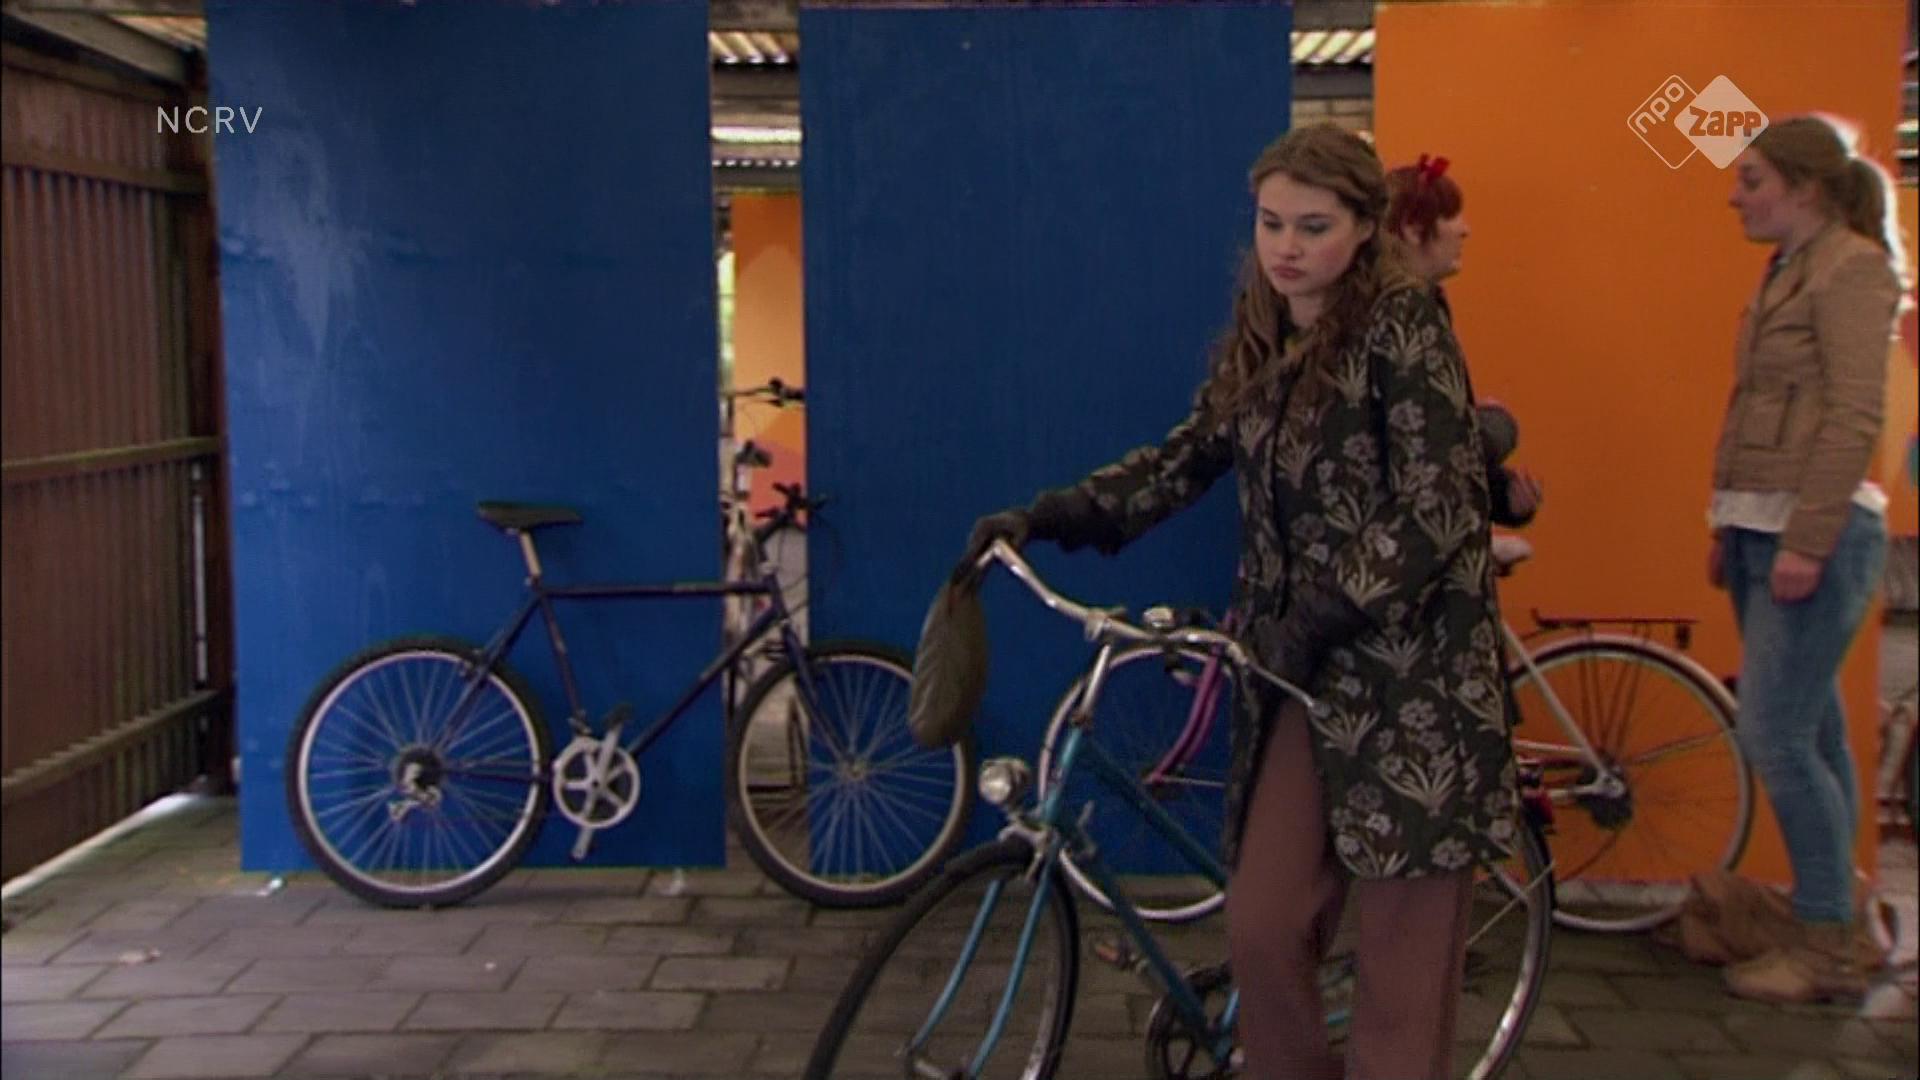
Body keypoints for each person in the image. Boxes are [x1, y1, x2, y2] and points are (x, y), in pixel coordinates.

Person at [955, 122, 1517, 1080]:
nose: (1287, 247)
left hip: (1416, 685)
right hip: (1302, 679)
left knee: (1402, 974)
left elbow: (1438, 506)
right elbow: (1189, 455)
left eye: (1314, 227)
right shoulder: (1268, 331)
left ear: (1365, 227)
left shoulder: (1403, 322)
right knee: (1262, 924)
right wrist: (1053, 515)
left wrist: (1321, 613)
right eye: (1271, 223)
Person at [1710, 114, 1906, 1003]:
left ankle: (1825, 942)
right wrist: (1727, 524)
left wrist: (1808, 539)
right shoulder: (1791, 267)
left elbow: (1856, 415)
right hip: (1761, 523)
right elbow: (1756, 404)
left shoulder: (1852, 268)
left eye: (1752, 180)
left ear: (1807, 187)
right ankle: (1837, 922)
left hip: (1807, 529)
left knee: (1777, 736)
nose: (1736, 196)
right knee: (1814, 732)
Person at [1385, 153, 1542, 527]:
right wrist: (1494, 429)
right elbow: (1421, 451)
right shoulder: (1399, 321)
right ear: (1413, 229)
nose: (1465, 229)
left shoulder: (1428, 307)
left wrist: (1502, 497)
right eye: (1451, 215)